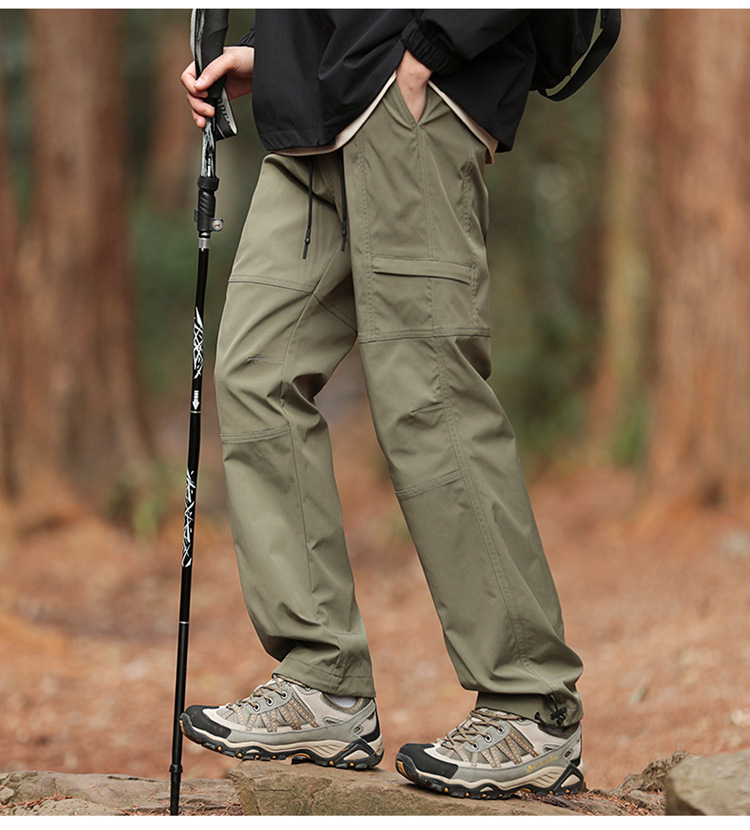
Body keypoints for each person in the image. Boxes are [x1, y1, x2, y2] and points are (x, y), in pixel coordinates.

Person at [180, 10, 585, 800]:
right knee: (257, 370)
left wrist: (433, 43)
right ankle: (323, 683)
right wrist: (270, 53)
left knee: (427, 394)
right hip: (310, 108)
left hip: (411, 88)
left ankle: (530, 704)